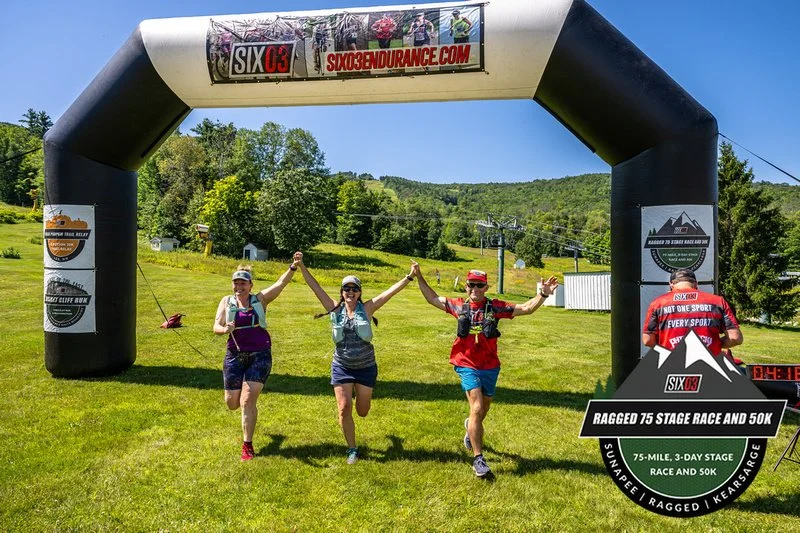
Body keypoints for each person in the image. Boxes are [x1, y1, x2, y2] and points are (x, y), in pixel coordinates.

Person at [411, 264, 559, 478]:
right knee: (477, 407)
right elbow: (432, 299)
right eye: (471, 284)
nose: (475, 289)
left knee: (482, 411)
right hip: (466, 363)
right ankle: (478, 459)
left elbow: (526, 308)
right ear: (466, 286)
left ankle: (469, 428)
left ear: (486, 287)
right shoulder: (459, 306)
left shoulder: (496, 307)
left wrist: (543, 294)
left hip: (490, 366)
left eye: (479, 285)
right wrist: (419, 276)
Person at [295, 251, 416, 464]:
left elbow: (389, 293)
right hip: (341, 365)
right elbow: (316, 287)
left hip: (365, 366)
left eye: (354, 289)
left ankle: (361, 409)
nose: (350, 292)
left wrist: (409, 276)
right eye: (346, 289)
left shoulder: (367, 308)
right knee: (343, 408)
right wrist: (301, 266)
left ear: (359, 293)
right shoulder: (334, 308)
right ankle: (352, 449)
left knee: (362, 411)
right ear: (342, 292)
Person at [213, 260, 299, 461]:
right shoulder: (226, 302)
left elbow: (280, 284)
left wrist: (293, 267)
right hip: (234, 355)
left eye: (243, 283)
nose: (239, 287)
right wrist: (225, 329)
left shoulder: (259, 300)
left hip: (260, 355)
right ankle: (259, 436)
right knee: (232, 403)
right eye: (236, 283)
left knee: (247, 400)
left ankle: (247, 445)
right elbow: (216, 326)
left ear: (251, 285)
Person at [642, 267, 742, 354]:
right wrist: (715, 345)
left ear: (671, 284)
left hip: (671, 365)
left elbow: (647, 340)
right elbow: (735, 338)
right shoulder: (717, 302)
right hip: (709, 365)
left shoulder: (658, 303)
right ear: (696, 284)